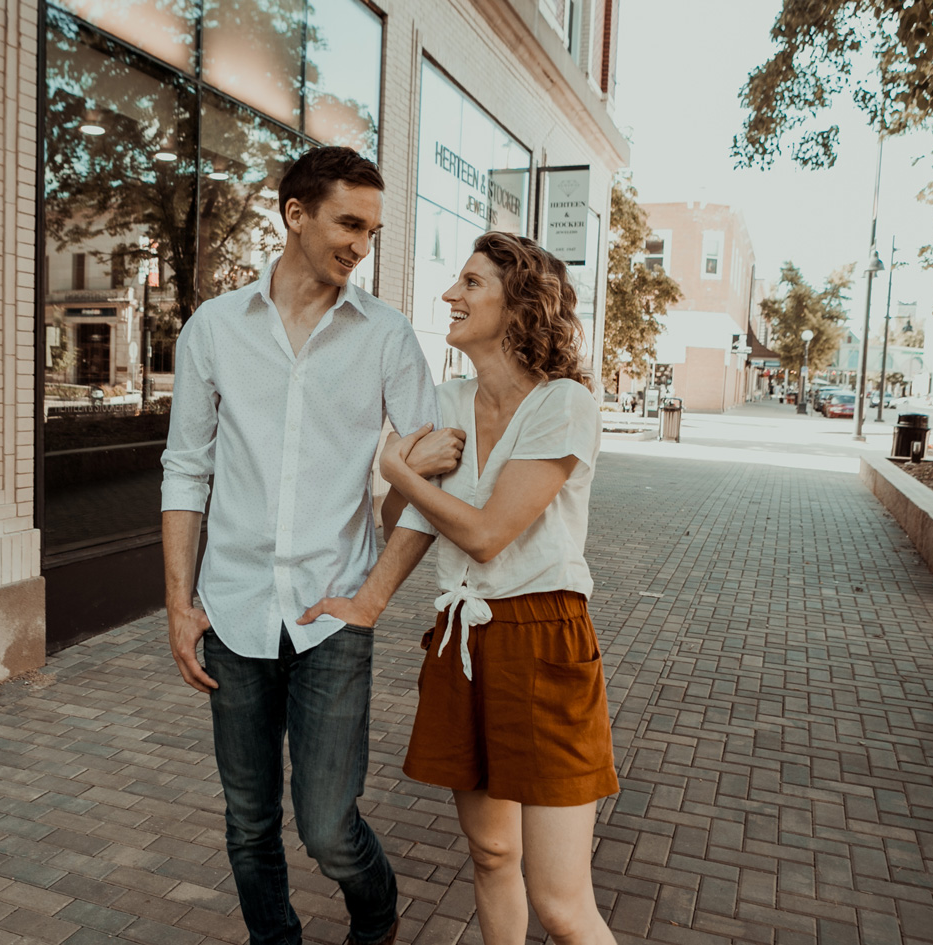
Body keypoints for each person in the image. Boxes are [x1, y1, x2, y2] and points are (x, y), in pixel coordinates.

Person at [160, 146, 463, 945]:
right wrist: (179, 604)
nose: (361, 245)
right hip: (233, 611)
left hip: (334, 613)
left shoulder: (386, 336)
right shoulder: (214, 328)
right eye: (348, 224)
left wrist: (372, 598)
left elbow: (433, 480)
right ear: (296, 214)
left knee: (327, 826)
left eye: (371, 231)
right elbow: (186, 470)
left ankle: (376, 911)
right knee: (249, 821)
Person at [379, 232, 620, 945]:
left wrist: (399, 469)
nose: (450, 295)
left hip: (543, 640)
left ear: (520, 305)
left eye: (471, 283)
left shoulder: (563, 404)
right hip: (462, 639)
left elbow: (487, 536)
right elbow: (403, 521)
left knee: (561, 903)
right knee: (490, 853)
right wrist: (407, 479)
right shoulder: (447, 400)